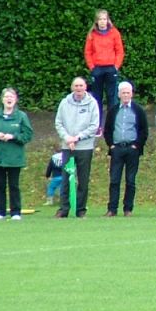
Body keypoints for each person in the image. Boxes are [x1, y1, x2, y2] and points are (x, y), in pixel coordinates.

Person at [0, 88, 33, 221]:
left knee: (14, 185)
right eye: (6, 97)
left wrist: (13, 136)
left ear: (16, 99)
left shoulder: (21, 116)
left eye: (11, 97)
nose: (9, 99)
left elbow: (27, 135)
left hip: (14, 157)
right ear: (2, 99)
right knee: (0, 186)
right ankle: (0, 212)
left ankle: (16, 212)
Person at [54, 76, 100, 218]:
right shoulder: (64, 103)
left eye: (81, 86)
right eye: (76, 86)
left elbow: (94, 126)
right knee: (66, 178)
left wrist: (77, 137)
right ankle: (63, 209)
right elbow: (58, 123)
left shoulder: (92, 103)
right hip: (68, 146)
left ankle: (81, 210)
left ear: (85, 87)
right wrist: (68, 138)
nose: (78, 88)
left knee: (83, 179)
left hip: (84, 147)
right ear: (72, 87)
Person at [103, 80, 148, 217]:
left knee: (130, 180)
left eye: (128, 92)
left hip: (132, 149)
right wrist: (111, 145)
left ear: (132, 94)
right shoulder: (113, 110)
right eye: (123, 93)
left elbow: (144, 130)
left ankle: (128, 209)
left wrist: (137, 145)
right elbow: (108, 129)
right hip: (117, 149)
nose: (126, 95)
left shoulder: (138, 110)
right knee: (114, 180)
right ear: (119, 94)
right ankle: (112, 209)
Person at [85, 9, 125, 133]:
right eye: (100, 19)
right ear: (96, 21)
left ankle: (112, 124)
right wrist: (92, 67)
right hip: (97, 69)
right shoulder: (92, 34)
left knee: (112, 98)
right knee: (97, 98)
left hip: (110, 68)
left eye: (104, 19)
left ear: (108, 20)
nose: (102, 22)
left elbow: (119, 51)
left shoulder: (114, 33)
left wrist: (116, 66)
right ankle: (97, 126)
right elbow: (88, 52)